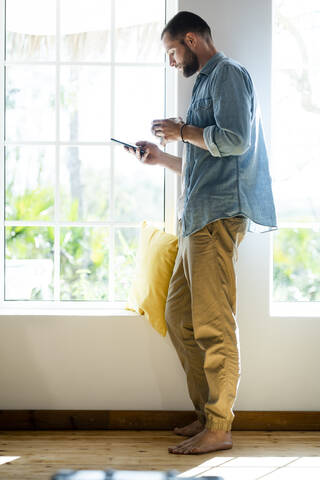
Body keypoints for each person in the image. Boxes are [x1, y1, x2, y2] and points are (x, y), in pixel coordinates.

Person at [125, 11, 276, 455]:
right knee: (178, 316)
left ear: (191, 40)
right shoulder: (203, 83)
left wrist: (182, 130)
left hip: (216, 219)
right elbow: (204, 160)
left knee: (213, 324)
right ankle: (206, 414)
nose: (172, 61)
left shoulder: (228, 74)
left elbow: (235, 140)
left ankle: (219, 426)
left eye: (172, 51)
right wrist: (163, 157)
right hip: (197, 217)